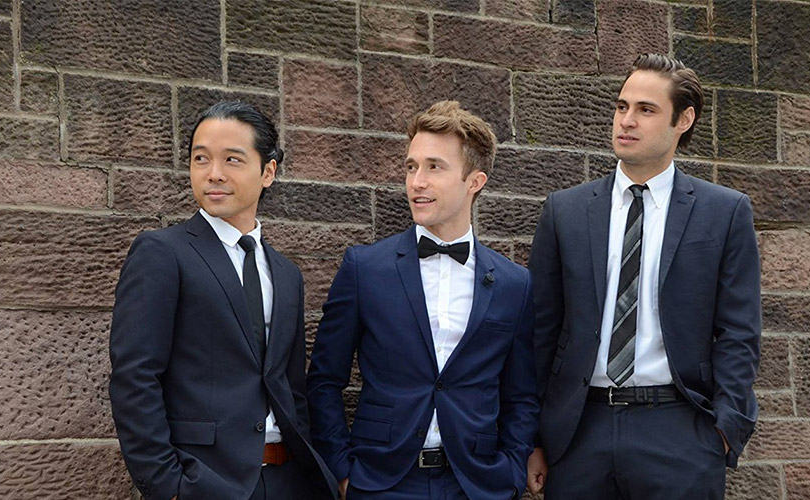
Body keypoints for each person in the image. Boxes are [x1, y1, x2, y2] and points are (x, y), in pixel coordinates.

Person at [526, 53, 761, 500]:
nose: (627, 120)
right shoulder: (565, 211)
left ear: (683, 120)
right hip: (578, 434)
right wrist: (532, 437)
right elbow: (540, 330)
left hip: (679, 433)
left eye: (646, 109)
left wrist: (723, 431)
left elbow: (739, 331)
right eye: (622, 106)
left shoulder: (724, 212)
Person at [307, 100, 539, 500]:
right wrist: (343, 472)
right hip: (381, 484)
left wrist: (512, 472)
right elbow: (324, 380)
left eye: (434, 167)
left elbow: (521, 396)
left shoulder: (514, 283)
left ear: (475, 181)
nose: (416, 182)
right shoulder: (365, 268)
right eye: (411, 166)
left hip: (477, 485)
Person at [109, 101, 337, 500]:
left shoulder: (286, 274)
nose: (213, 173)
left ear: (268, 172)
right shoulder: (162, 253)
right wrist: (169, 486)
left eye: (232, 159)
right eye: (201, 159)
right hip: (204, 481)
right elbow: (134, 377)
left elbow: (291, 387)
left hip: (287, 480)